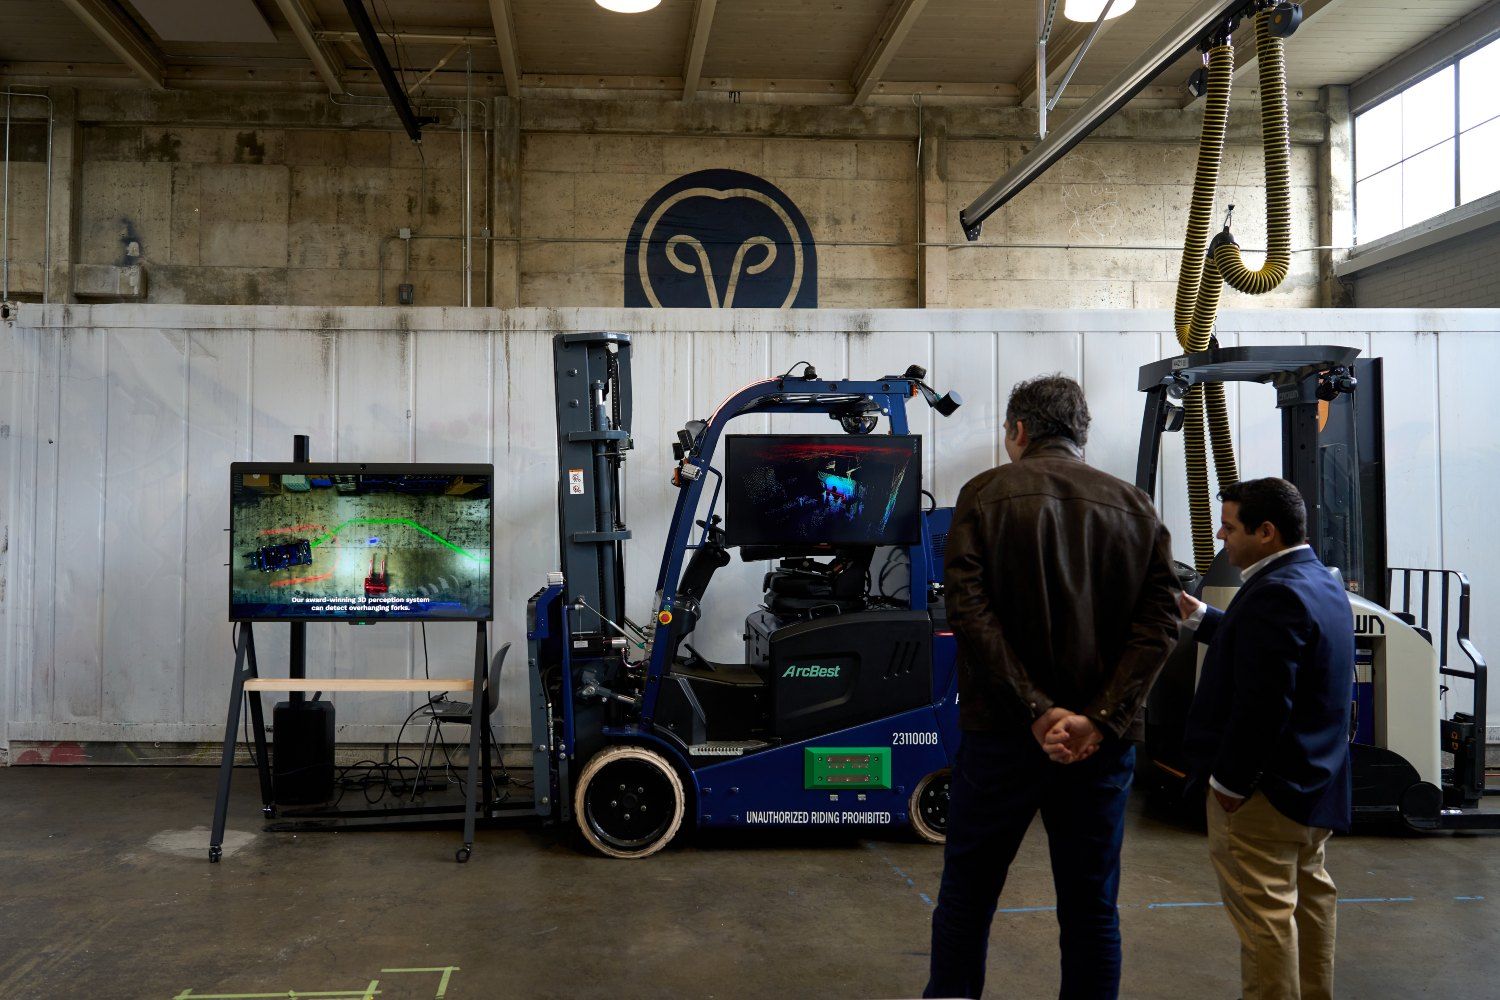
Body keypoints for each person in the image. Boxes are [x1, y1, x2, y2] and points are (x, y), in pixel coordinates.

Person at [925, 374, 1181, 1000]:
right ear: (1080, 436)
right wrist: (1099, 719)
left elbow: (969, 615)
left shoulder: (982, 497)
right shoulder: (1136, 506)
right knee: (1092, 909)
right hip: (1101, 747)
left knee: (968, 897)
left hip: (1001, 737)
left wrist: (1036, 713)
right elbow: (1160, 625)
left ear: (1018, 431)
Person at [1178, 478, 1355, 1000]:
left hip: (1263, 796)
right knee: (1310, 900)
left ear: (1267, 531)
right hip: (1314, 781)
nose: (1220, 536)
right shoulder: (1319, 582)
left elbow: (1262, 706)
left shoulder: (1273, 593)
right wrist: (1200, 618)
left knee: (1265, 920)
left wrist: (1229, 783)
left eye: (1230, 526)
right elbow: (1273, 649)